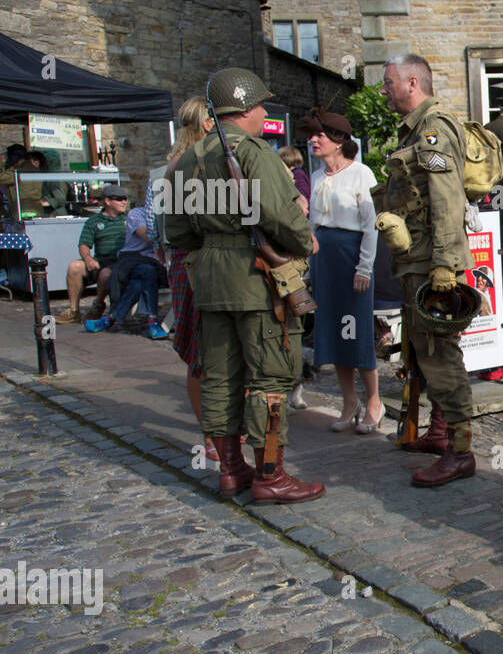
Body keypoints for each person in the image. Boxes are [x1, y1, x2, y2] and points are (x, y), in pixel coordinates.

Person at [169, 67, 324, 504]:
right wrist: (302, 241)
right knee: (270, 378)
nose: (263, 114)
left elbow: (177, 233)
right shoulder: (255, 151)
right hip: (257, 278)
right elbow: (281, 214)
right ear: (247, 109)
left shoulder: (186, 159)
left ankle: (231, 471)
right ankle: (270, 474)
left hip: (210, 282)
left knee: (219, 376)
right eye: (261, 106)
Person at [378, 53, 477, 485]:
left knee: (440, 353)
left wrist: (445, 264)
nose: (383, 91)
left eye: (388, 83)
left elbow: (447, 199)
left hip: (431, 263)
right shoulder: (414, 130)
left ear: (412, 82)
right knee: (421, 349)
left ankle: (460, 449)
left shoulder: (434, 129)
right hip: (413, 261)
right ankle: (439, 434)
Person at [302, 109, 383, 434]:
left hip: (352, 259)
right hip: (325, 261)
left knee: (356, 332)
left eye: (319, 135)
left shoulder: (362, 174)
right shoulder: (318, 176)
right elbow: (311, 226)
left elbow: (371, 226)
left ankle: (374, 401)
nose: (313, 141)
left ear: (337, 140)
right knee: (334, 333)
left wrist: (364, 267)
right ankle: (349, 402)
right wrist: (309, 269)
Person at [153, 96, 215, 461]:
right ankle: (211, 434)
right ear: (207, 125)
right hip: (194, 261)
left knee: (207, 350)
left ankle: (217, 432)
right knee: (201, 351)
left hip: (185, 259)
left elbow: (157, 224)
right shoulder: (185, 166)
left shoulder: (173, 166)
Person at [84, 203, 168, 339]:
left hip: (155, 264)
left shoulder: (170, 215)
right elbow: (147, 237)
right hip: (132, 259)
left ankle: (112, 317)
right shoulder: (137, 214)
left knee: (143, 275)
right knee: (146, 270)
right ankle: (152, 321)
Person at [56, 185, 128, 324]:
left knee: (106, 274)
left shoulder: (129, 218)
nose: (124, 202)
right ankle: (73, 310)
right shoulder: (94, 221)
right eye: (119, 199)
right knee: (74, 266)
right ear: (107, 201)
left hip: (121, 260)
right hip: (101, 259)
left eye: (125, 199)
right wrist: (87, 258)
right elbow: (84, 244)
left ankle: (98, 305)